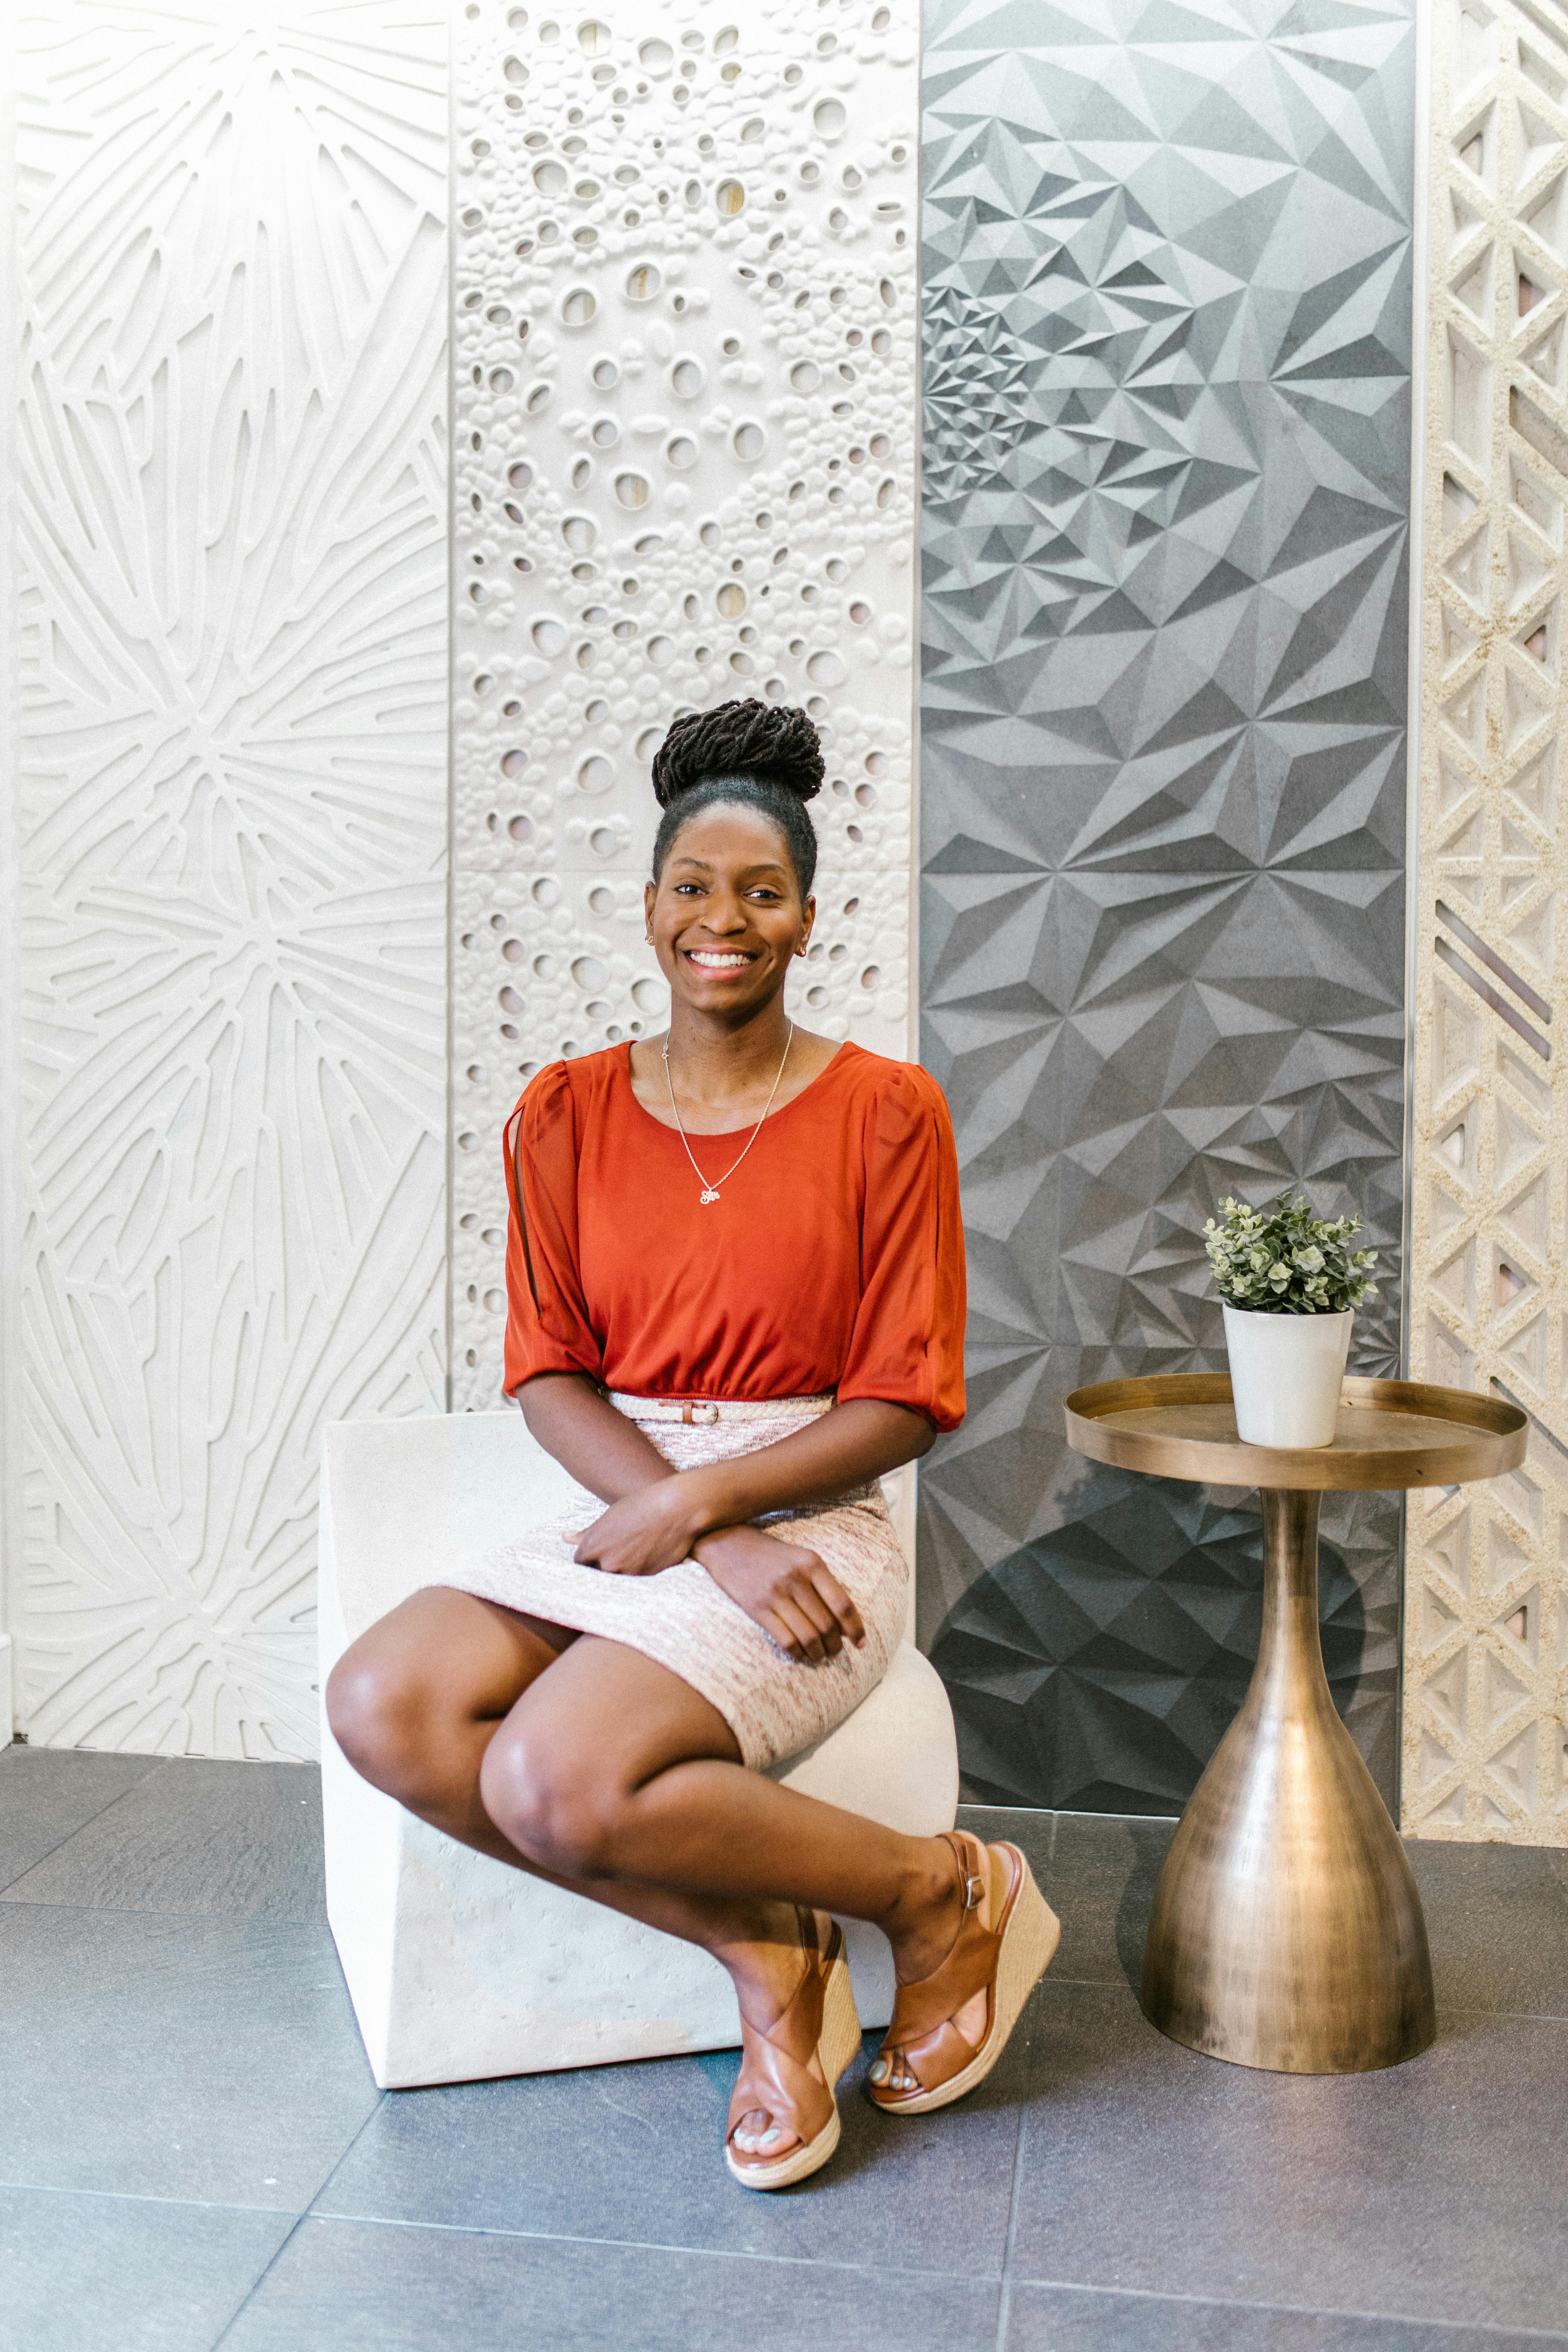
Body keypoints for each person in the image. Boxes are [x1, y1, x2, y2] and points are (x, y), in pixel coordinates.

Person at [327, 698, 1060, 2189]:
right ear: (650, 906)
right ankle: (776, 1947)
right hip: (634, 1507)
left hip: (813, 1518)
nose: (722, 919)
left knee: (552, 1776)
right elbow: (549, 1373)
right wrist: (690, 1522)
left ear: (804, 921)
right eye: (692, 888)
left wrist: (729, 1514)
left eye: (761, 893)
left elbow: (907, 1396)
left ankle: (942, 1897)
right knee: (382, 1702)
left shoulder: (885, 1113)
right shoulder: (565, 1113)